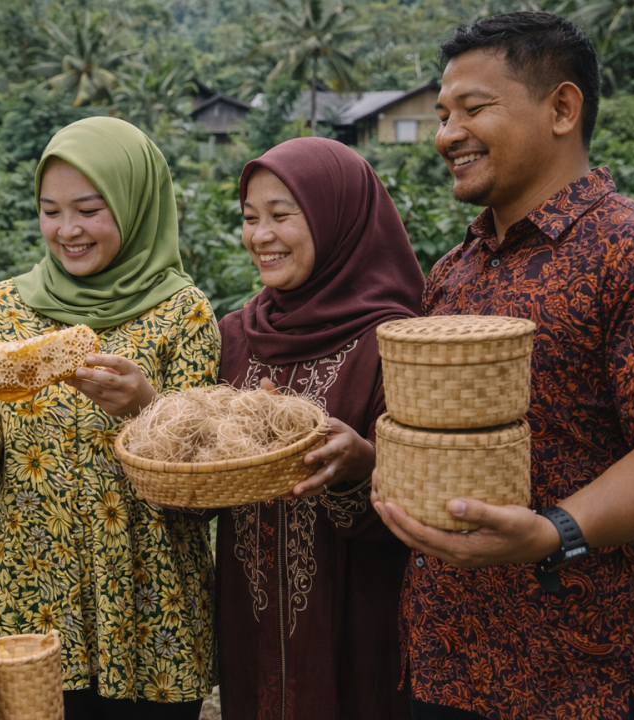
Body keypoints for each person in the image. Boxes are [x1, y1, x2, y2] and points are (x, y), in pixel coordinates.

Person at [370, 12, 634, 719]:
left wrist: (553, 531)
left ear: (562, 107)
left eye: (473, 108)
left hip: (585, 672)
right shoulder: (454, 272)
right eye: (440, 114)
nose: (445, 135)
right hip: (445, 660)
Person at [0, 117, 218, 719]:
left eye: (89, 209)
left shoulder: (185, 313)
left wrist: (147, 408)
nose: (68, 231)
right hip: (26, 592)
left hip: (147, 598)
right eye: (51, 211)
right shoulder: (3, 306)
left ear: (135, 204)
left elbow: (202, 479)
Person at [213, 137, 424, 720]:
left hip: (356, 611)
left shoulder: (396, 341)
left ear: (340, 218)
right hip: (250, 614)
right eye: (250, 218)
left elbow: (430, 488)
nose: (260, 235)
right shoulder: (237, 334)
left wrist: (364, 463)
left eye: (282, 215)